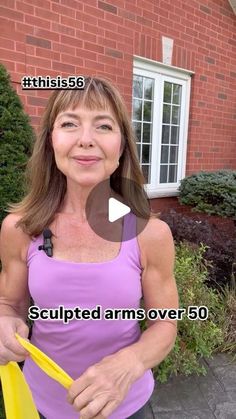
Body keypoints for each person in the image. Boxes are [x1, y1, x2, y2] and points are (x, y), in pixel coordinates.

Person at [0, 77, 179, 419]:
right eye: (69, 124)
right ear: (51, 141)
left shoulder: (150, 234)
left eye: (103, 126)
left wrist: (129, 364)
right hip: (40, 404)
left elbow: (165, 324)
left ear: (122, 146)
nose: (86, 140)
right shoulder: (20, 229)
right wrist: (4, 323)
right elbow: (9, 303)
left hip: (126, 406)